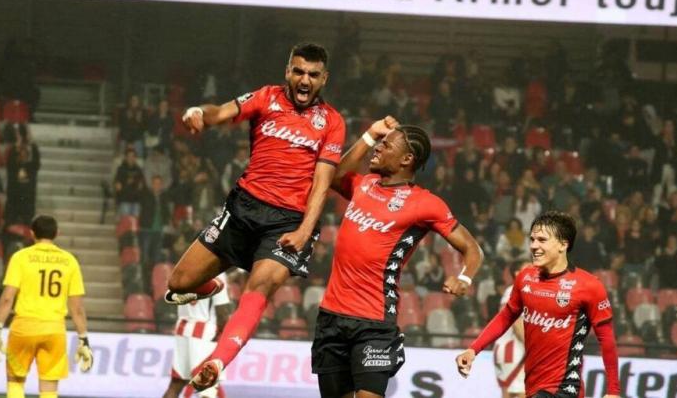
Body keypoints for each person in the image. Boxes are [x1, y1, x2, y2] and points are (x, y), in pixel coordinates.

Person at [165, 43, 346, 391]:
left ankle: (217, 361)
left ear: (323, 79)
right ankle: (215, 285)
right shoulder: (266, 97)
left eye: (312, 74)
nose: (304, 79)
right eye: (298, 71)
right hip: (242, 209)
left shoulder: (332, 123)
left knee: (258, 287)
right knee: (178, 284)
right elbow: (217, 112)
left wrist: (306, 230)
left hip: (287, 222)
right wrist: (196, 112)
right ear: (287, 72)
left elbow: (322, 184)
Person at [312, 118, 483, 398]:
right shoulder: (363, 184)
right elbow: (333, 175)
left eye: (386, 145)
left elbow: (472, 248)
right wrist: (369, 134)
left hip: (374, 322)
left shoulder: (425, 204)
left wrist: (464, 276)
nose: (377, 148)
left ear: (407, 158)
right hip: (331, 316)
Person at [456, 211, 620, 398]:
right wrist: (473, 349)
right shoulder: (525, 278)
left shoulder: (589, 286)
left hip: (565, 387)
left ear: (563, 244)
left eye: (542, 240)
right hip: (533, 387)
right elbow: (506, 316)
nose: (534, 246)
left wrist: (613, 391)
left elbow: (606, 339)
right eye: (532, 239)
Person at [0, 215, 93, 398]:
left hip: (23, 329)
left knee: (15, 384)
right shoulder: (70, 262)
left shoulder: (21, 257)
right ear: (57, 234)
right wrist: (83, 339)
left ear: (32, 233)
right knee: (49, 391)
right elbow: (77, 308)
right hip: (54, 330)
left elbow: (7, 298)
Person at [163, 273, 233, 398]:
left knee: (176, 384)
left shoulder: (185, 269)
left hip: (183, 329)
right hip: (204, 334)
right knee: (207, 387)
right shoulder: (218, 276)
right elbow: (222, 313)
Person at [493, 260, 528, 398]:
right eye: (529, 268)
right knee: (521, 393)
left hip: (510, 349)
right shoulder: (515, 290)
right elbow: (517, 324)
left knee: (510, 393)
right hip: (514, 350)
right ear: (517, 273)